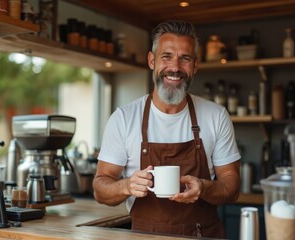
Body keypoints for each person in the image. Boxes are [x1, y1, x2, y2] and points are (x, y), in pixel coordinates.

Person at [93, 20, 241, 238]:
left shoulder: (216, 116)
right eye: (167, 56)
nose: (175, 67)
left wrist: (204, 188)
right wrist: (126, 186)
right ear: (152, 61)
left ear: (195, 66)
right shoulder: (124, 118)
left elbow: (233, 186)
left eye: (185, 58)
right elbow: (100, 188)